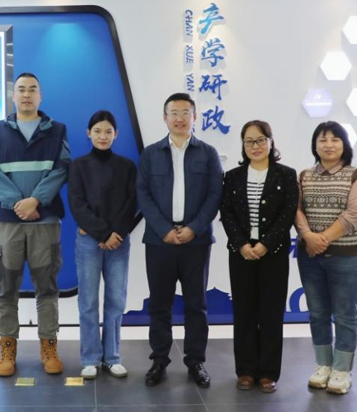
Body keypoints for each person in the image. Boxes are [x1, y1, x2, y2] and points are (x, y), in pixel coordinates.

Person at [0, 72, 71, 377]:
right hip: (6, 223)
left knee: (46, 287)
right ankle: (7, 348)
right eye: (21, 89)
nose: (26, 94)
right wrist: (18, 204)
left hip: (44, 221)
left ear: (40, 96)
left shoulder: (57, 131)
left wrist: (36, 201)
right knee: (6, 288)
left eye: (32, 89)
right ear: (13, 96)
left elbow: (62, 169)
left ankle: (49, 347)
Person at [136, 93, 223, 388]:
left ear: (194, 117)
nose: (179, 118)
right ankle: (159, 360)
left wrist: (194, 228)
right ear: (165, 118)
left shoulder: (208, 153)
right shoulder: (150, 154)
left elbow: (215, 195)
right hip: (159, 241)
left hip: (195, 242)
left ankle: (195, 361)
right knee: (159, 304)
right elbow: (143, 195)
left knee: (196, 305)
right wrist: (164, 229)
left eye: (185, 112)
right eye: (174, 113)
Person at [217, 120, 298, 394]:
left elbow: (288, 213)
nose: (255, 146)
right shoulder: (233, 176)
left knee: (271, 312)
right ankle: (246, 370)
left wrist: (266, 244)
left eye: (261, 140)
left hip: (273, 253)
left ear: (271, 142)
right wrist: (241, 244)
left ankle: (268, 372)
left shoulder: (286, 175)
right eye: (249, 141)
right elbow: (226, 212)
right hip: (241, 253)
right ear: (243, 145)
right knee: (244, 312)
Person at [295, 121, 357, 395]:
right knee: (317, 312)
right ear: (315, 145)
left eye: (335, 139)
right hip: (309, 256)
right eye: (323, 139)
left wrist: (322, 239)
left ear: (344, 144)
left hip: (344, 255)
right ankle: (323, 365)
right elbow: (296, 210)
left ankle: (341, 369)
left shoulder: (356, 175)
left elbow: (353, 215)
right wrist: (308, 236)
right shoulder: (304, 176)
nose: (329, 145)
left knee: (345, 314)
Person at [68, 110, 138, 380]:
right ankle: (90, 358)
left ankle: (112, 357)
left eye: (108, 131)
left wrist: (115, 233)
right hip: (89, 241)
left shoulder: (127, 166)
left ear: (115, 134)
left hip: (118, 242)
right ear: (89, 133)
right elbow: (77, 204)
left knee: (116, 300)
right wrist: (102, 234)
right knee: (88, 301)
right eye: (97, 131)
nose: (103, 136)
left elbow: (132, 203)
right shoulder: (79, 166)